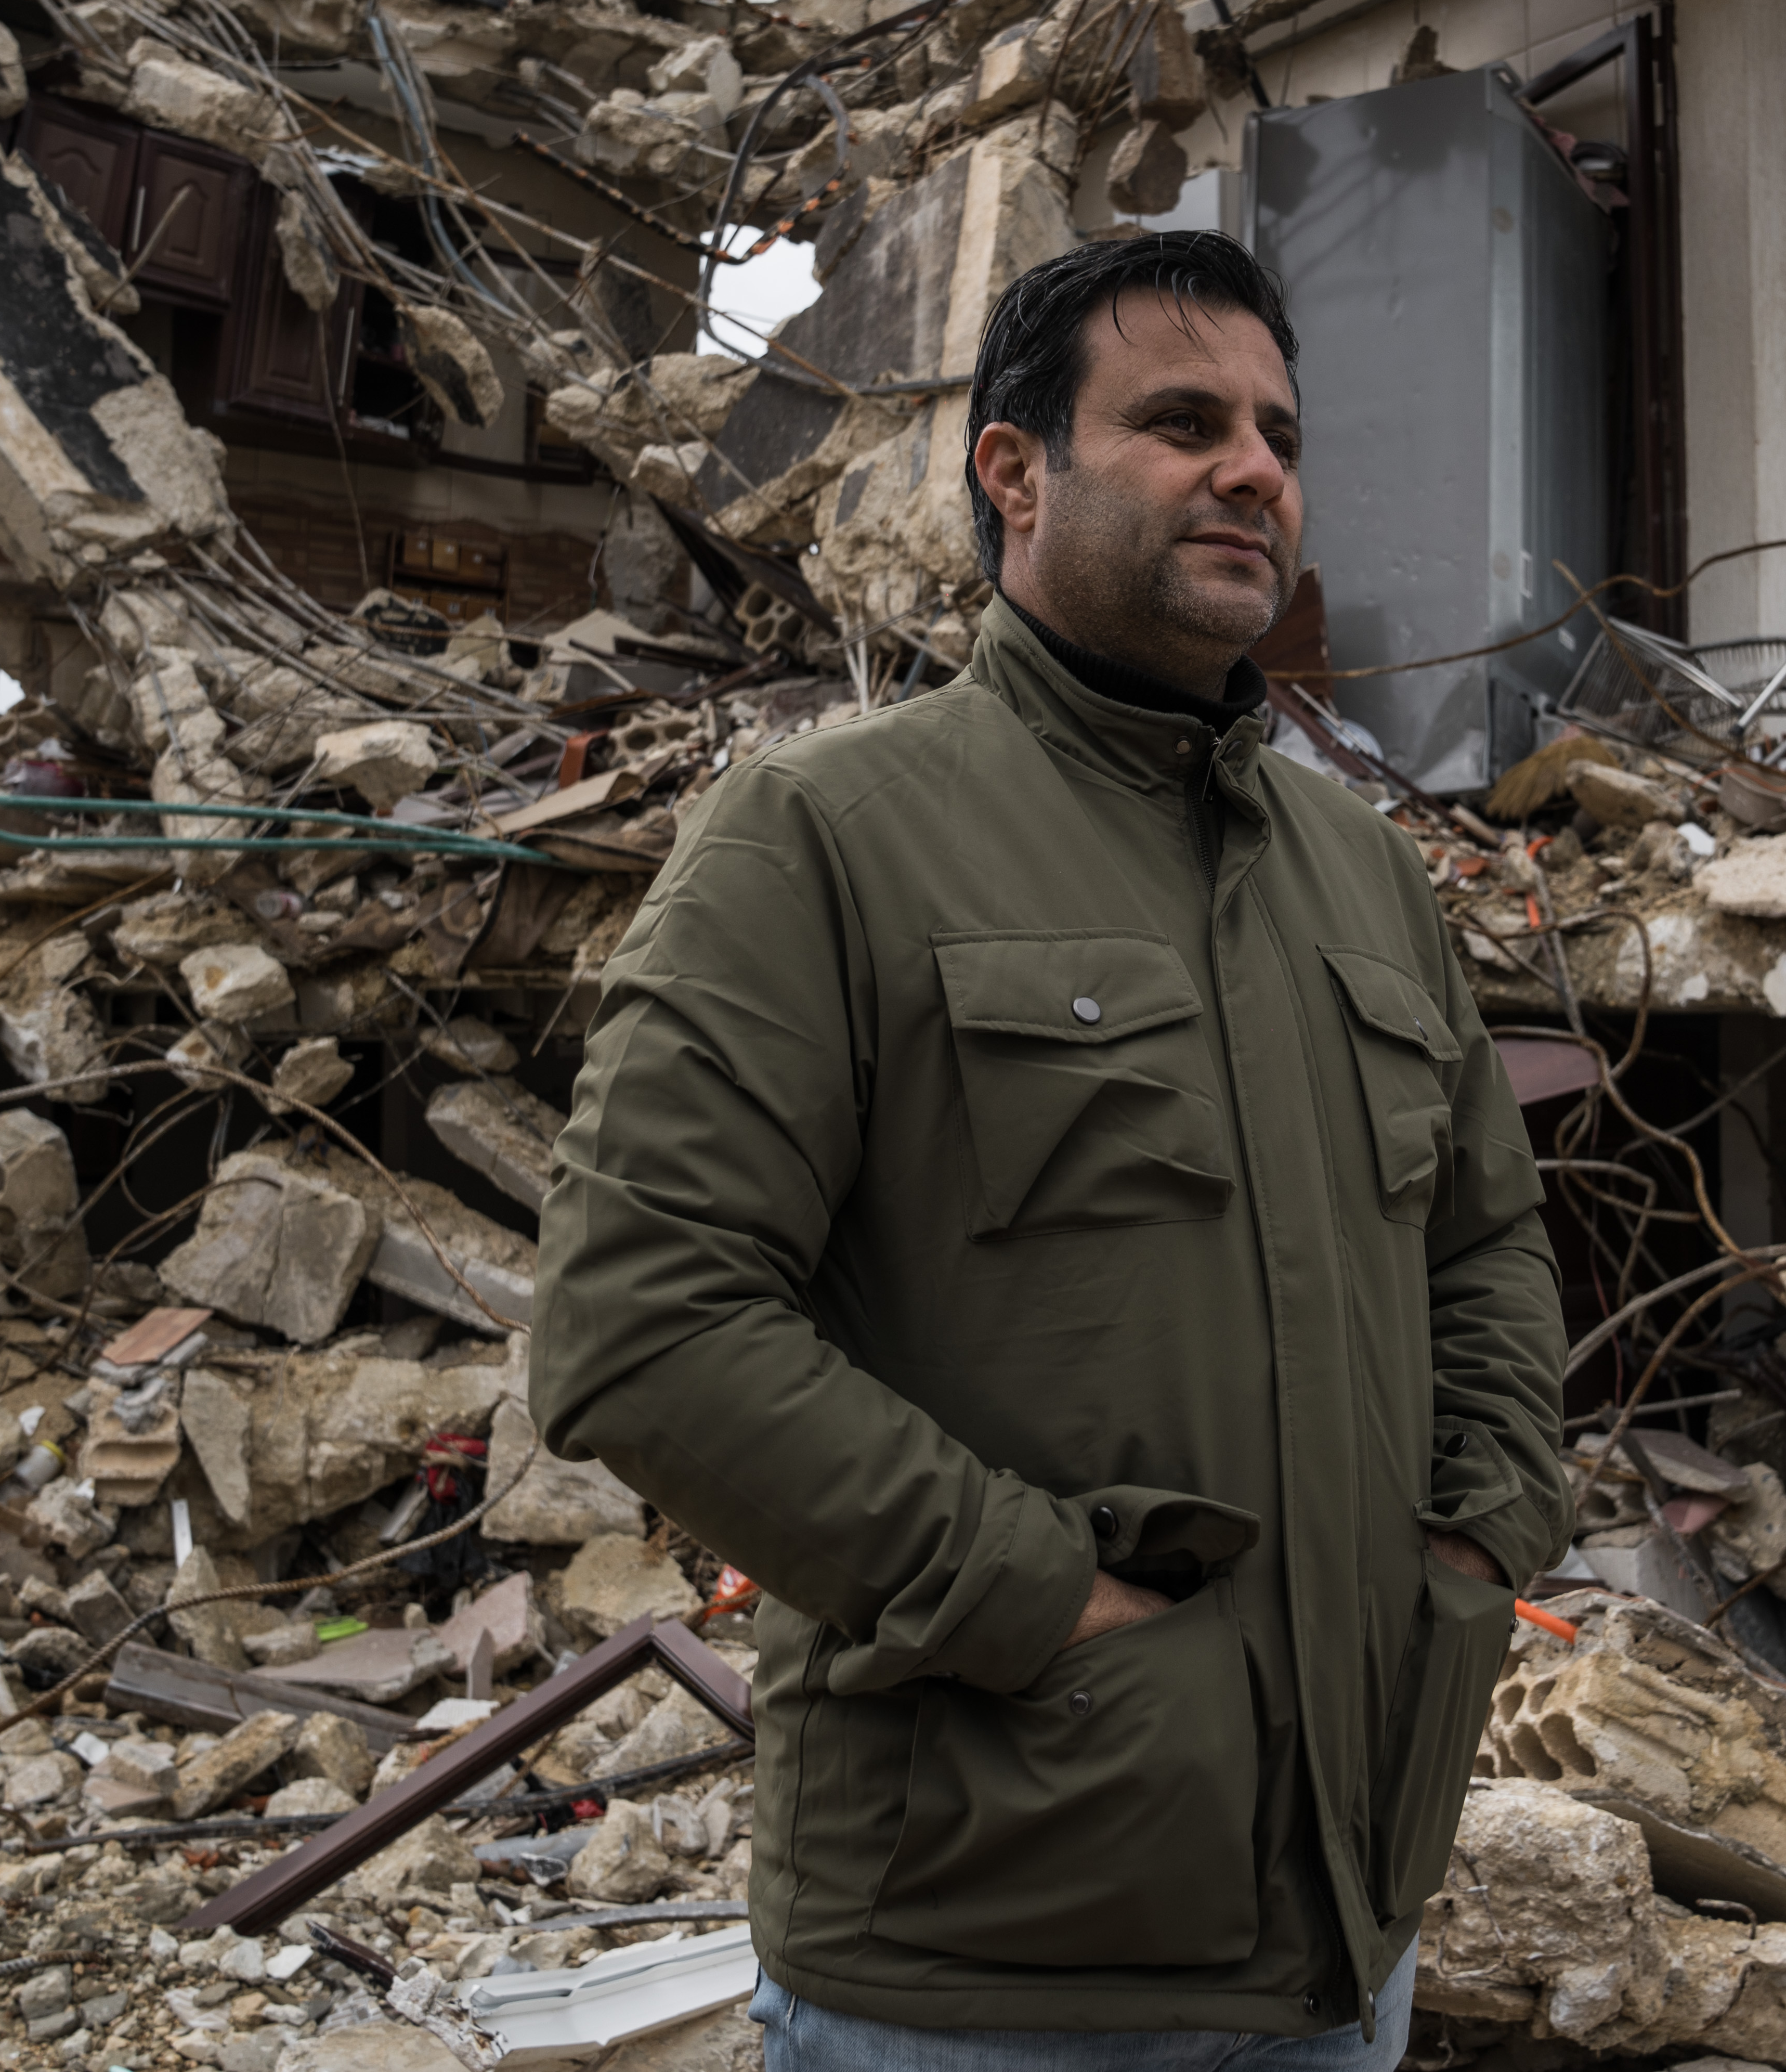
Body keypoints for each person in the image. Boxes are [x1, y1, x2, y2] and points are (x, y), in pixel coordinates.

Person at [532, 228, 1570, 2070]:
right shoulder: (826, 838)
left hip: (1348, 1929)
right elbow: (645, 1324)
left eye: (1276, 428)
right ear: (1014, 471)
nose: (1256, 466)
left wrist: (1475, 1545)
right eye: (1181, 421)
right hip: (989, 1968)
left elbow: (1485, 1245)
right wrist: (1054, 1611)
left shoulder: (1365, 874)